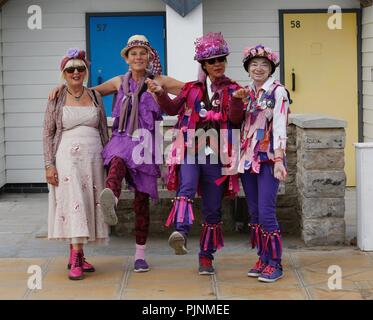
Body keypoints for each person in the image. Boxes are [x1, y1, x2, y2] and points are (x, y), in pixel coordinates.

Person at [48, 35, 184, 273]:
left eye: (143, 53)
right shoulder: (119, 82)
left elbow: (189, 90)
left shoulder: (159, 80)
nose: (138, 57)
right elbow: (85, 91)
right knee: (117, 160)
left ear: (149, 57)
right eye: (133, 53)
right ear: (127, 59)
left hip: (145, 145)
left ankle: (140, 255)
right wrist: (63, 87)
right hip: (122, 139)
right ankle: (111, 200)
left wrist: (163, 93)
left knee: (142, 201)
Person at [147, 32, 244, 275]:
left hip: (218, 153)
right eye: (212, 61)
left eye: (221, 58)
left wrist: (236, 102)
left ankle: (206, 258)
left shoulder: (235, 89)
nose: (217, 63)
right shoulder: (191, 89)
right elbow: (171, 108)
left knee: (213, 208)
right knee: (187, 186)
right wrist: (159, 92)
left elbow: (235, 120)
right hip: (192, 147)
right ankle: (180, 231)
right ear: (203, 65)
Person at [43, 48, 110, 280]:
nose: (76, 72)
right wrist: (48, 164)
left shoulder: (95, 96)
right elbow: (47, 133)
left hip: (93, 159)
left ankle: (78, 254)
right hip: (67, 159)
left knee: (89, 205)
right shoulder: (57, 97)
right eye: (70, 69)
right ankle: (76, 257)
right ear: (63, 73)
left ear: (86, 71)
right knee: (73, 203)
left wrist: (109, 159)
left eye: (80, 68)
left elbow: (103, 129)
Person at [232, 45, 289, 282]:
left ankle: (275, 263)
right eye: (254, 64)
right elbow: (237, 122)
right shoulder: (245, 93)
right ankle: (263, 257)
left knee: (266, 212)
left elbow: (279, 127)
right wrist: (236, 102)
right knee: (254, 213)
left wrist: (278, 159)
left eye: (264, 65)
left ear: (271, 68)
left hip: (268, 159)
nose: (259, 68)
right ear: (247, 68)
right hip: (248, 160)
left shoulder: (278, 92)